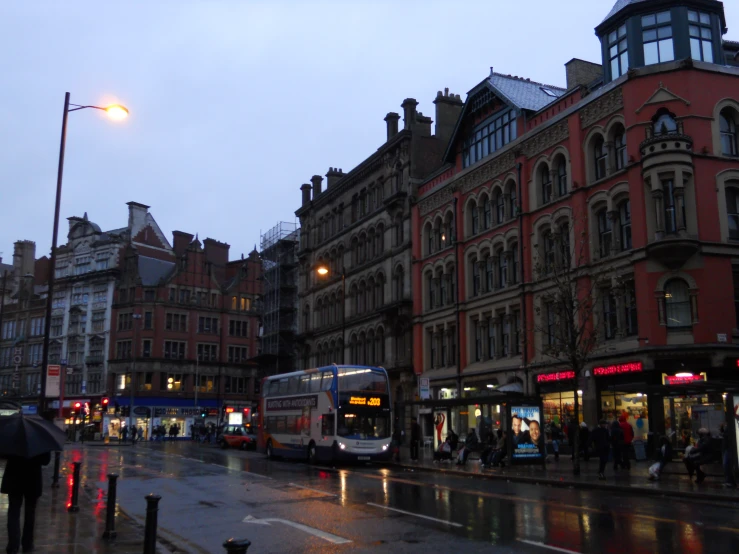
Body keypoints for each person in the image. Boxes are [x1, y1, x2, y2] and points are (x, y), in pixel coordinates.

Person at [2, 452, 51, 554]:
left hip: (14, 477)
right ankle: (27, 545)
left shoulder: (12, 437)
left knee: (13, 513)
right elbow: (46, 460)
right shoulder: (40, 438)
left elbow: (3, 454)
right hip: (32, 479)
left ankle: (13, 546)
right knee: (30, 514)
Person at [720, 423, 737, 488]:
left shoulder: (730, 427)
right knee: (727, 465)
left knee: (727, 464)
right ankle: (729, 481)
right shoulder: (727, 426)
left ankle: (730, 481)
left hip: (728, 448)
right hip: (726, 448)